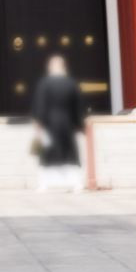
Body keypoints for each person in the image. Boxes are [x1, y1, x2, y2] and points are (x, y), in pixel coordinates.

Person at [30, 47, 86, 182]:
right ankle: (76, 183)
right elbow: (77, 106)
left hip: (50, 122)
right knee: (70, 153)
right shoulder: (71, 83)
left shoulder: (44, 84)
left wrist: (38, 122)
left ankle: (44, 183)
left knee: (47, 154)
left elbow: (41, 105)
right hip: (67, 122)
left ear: (50, 67)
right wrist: (80, 124)